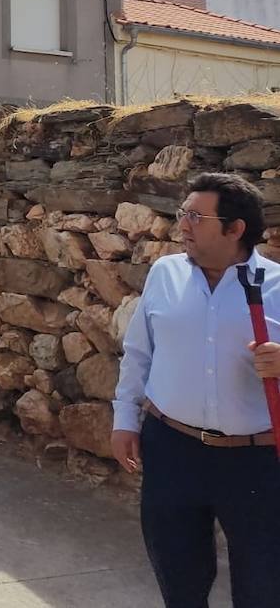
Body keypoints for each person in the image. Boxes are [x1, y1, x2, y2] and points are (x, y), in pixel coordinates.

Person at [112, 173, 280, 608]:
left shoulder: (277, 287)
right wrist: (124, 419)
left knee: (263, 587)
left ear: (235, 228)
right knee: (179, 581)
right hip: (172, 451)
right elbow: (139, 353)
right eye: (182, 213)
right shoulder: (164, 274)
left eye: (195, 217)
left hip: (256, 461)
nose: (182, 224)